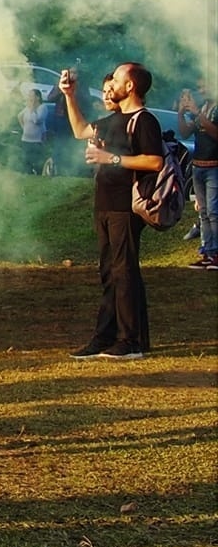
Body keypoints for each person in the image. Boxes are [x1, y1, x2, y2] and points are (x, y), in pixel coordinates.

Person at [59, 62, 166, 359]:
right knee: (109, 272)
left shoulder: (144, 121)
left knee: (124, 271)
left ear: (130, 86)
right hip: (104, 205)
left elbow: (154, 162)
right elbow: (81, 129)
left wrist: (113, 158)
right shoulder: (109, 121)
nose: (111, 85)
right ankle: (106, 337)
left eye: (117, 79)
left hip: (126, 206)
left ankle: (129, 341)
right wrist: (69, 95)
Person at [178, 87, 218, 270]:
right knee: (203, 212)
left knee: (214, 212)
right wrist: (181, 113)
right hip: (198, 167)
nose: (201, 90)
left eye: (204, 86)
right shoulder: (203, 108)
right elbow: (185, 132)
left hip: (214, 167)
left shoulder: (215, 109)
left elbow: (215, 133)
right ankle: (207, 252)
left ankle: (215, 254)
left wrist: (195, 113)